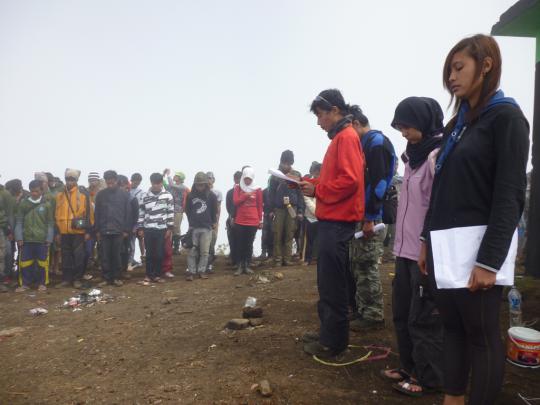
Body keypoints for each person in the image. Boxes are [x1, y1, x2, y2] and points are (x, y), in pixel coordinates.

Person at [418, 34, 530, 405]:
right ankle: (453, 398)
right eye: (449, 69)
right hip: (444, 244)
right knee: (451, 328)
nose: (451, 76)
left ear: (486, 66)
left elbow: (510, 194)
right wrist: (424, 240)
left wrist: (489, 260)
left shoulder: (507, 118)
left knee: (481, 334)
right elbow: (441, 190)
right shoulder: (456, 127)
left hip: (479, 247)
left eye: (458, 67)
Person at [380, 97, 445, 397]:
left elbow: (440, 206)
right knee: (403, 314)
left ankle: (429, 378)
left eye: (406, 125)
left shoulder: (436, 156)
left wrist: (427, 245)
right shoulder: (410, 157)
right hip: (403, 252)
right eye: (399, 126)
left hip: (423, 253)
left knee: (423, 319)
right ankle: (409, 366)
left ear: (423, 121)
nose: (402, 132)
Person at [300, 89, 365, 359]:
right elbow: (337, 178)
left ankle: (335, 342)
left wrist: (317, 191)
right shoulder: (341, 138)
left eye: (321, 115)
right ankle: (328, 332)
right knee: (327, 282)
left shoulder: (346, 138)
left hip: (338, 223)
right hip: (332, 221)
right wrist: (313, 184)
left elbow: (350, 181)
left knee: (333, 284)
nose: (319, 121)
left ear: (335, 111)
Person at [348, 105, 396, 330]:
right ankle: (362, 310)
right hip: (364, 213)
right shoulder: (368, 144)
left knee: (367, 265)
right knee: (359, 264)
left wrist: (369, 218)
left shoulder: (375, 144)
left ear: (357, 124)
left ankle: (373, 314)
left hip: (371, 217)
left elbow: (379, 185)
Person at [55, 169, 93, 289]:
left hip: (78, 232)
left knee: (78, 257)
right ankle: (66, 279)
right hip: (64, 232)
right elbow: (55, 214)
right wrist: (57, 232)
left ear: (76, 180)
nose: (70, 181)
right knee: (66, 256)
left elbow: (89, 214)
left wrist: (88, 231)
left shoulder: (83, 194)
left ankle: (77, 279)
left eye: (72, 179)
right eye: (68, 179)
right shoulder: (60, 195)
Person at [14, 180, 54, 292]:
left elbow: (50, 223)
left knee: (42, 263)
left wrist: (49, 239)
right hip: (26, 239)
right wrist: (19, 237)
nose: (34, 194)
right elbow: (19, 222)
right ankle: (25, 284)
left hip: (42, 240)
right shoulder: (23, 204)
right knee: (25, 263)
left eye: (36, 191)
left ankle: (42, 283)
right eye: (32, 191)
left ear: (41, 190)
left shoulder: (47, 205)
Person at [94, 170, 131, 287]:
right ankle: (106, 278)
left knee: (117, 255)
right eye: (107, 183)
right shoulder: (100, 195)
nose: (110, 185)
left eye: (112, 183)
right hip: (104, 230)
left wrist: (126, 230)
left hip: (119, 230)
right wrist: (97, 230)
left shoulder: (124, 195)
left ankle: (116, 277)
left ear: (116, 181)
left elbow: (128, 213)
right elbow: (97, 213)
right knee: (105, 255)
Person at [269, 150, 305, 266]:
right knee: (277, 234)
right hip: (278, 209)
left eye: (288, 163)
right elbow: (271, 193)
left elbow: (300, 194)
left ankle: (287, 259)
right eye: (284, 162)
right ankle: (278, 260)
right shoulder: (275, 175)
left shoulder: (297, 175)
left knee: (290, 233)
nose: (286, 165)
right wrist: (270, 210)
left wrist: (300, 210)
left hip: (292, 208)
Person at [137, 173, 174, 284]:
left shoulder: (168, 195)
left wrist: (170, 228)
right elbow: (141, 212)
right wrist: (140, 228)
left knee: (159, 253)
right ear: (151, 182)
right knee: (149, 253)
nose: (156, 185)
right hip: (148, 228)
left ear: (161, 183)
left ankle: (158, 275)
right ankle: (148, 275)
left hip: (162, 228)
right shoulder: (144, 196)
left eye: (158, 183)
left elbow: (170, 212)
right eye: (154, 183)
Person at [185, 172, 218, 281]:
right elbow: (187, 210)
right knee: (192, 251)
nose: (200, 187)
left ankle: (202, 271)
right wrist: (191, 223)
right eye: (198, 184)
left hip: (207, 227)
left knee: (205, 251)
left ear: (206, 184)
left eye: (202, 184)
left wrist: (214, 222)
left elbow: (215, 210)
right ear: (195, 184)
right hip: (194, 227)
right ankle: (191, 271)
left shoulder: (212, 196)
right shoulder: (190, 196)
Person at [232, 167, 263, 276]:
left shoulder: (257, 189)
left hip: (253, 221)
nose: (247, 181)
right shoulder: (238, 188)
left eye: (249, 179)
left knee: (249, 244)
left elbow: (260, 205)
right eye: (245, 178)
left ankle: (247, 265)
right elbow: (235, 202)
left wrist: (260, 220)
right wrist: (245, 195)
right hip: (240, 220)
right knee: (240, 243)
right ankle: (240, 266)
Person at [163, 169, 189, 255]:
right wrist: (163, 175)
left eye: (176, 176)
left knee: (176, 228)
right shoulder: (173, 186)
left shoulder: (182, 187)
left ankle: (176, 248)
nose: (175, 176)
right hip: (170, 210)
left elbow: (170, 184)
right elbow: (164, 184)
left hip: (178, 210)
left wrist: (168, 175)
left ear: (180, 178)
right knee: (169, 228)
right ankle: (170, 247)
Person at [117, 175, 139, 278]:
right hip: (113, 229)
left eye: (122, 185)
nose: (121, 187)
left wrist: (132, 228)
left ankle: (124, 270)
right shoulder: (109, 198)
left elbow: (135, 215)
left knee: (125, 250)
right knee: (112, 251)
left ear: (127, 185)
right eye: (119, 185)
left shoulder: (132, 198)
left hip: (126, 230)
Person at [302, 162, 321, 266]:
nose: (318, 173)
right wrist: (317, 212)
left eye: (319, 172)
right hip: (310, 216)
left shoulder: (323, 183)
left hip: (321, 216)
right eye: (316, 171)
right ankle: (307, 259)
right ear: (313, 172)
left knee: (319, 239)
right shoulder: (307, 183)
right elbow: (307, 200)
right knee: (309, 240)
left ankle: (317, 258)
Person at [0, 181, 15, 292]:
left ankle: (3, 279)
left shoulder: (5, 194)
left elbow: (9, 214)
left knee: (3, 254)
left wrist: (10, 230)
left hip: (2, 228)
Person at [206, 171, 222, 273]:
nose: (208, 181)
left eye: (210, 178)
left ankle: (210, 264)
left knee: (212, 242)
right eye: (207, 178)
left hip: (213, 221)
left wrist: (216, 221)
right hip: (202, 221)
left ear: (213, 180)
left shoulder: (217, 193)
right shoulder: (200, 192)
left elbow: (218, 208)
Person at [128, 172, 145, 269]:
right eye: (135, 181)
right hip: (130, 219)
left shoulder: (141, 192)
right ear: (132, 180)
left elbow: (142, 206)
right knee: (131, 241)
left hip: (139, 219)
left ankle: (142, 257)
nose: (136, 183)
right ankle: (130, 260)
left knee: (140, 238)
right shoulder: (127, 190)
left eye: (138, 181)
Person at [226, 171, 242, 267]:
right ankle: (234, 260)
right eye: (236, 179)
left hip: (242, 219)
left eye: (239, 179)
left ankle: (241, 261)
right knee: (232, 240)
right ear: (234, 179)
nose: (238, 181)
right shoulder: (230, 192)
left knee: (241, 241)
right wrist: (232, 216)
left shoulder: (245, 192)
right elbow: (228, 206)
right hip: (232, 218)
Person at [260, 186, 274, 262]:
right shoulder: (264, 191)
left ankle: (271, 253)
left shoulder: (277, 190)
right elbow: (260, 202)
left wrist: (274, 211)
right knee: (265, 234)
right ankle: (263, 252)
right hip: (266, 214)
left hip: (275, 215)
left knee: (272, 234)